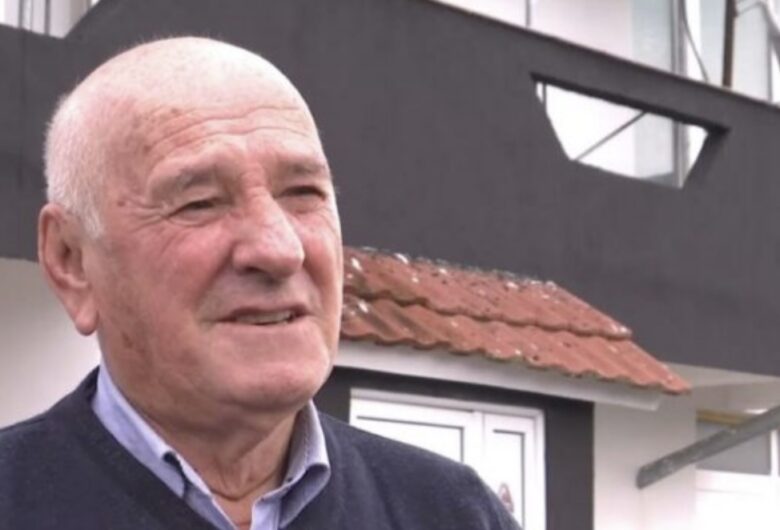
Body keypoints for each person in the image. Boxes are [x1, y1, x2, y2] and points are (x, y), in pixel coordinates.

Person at [0, 37, 520, 530]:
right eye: (200, 202)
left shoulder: (452, 511)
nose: (280, 249)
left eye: (303, 192)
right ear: (71, 261)